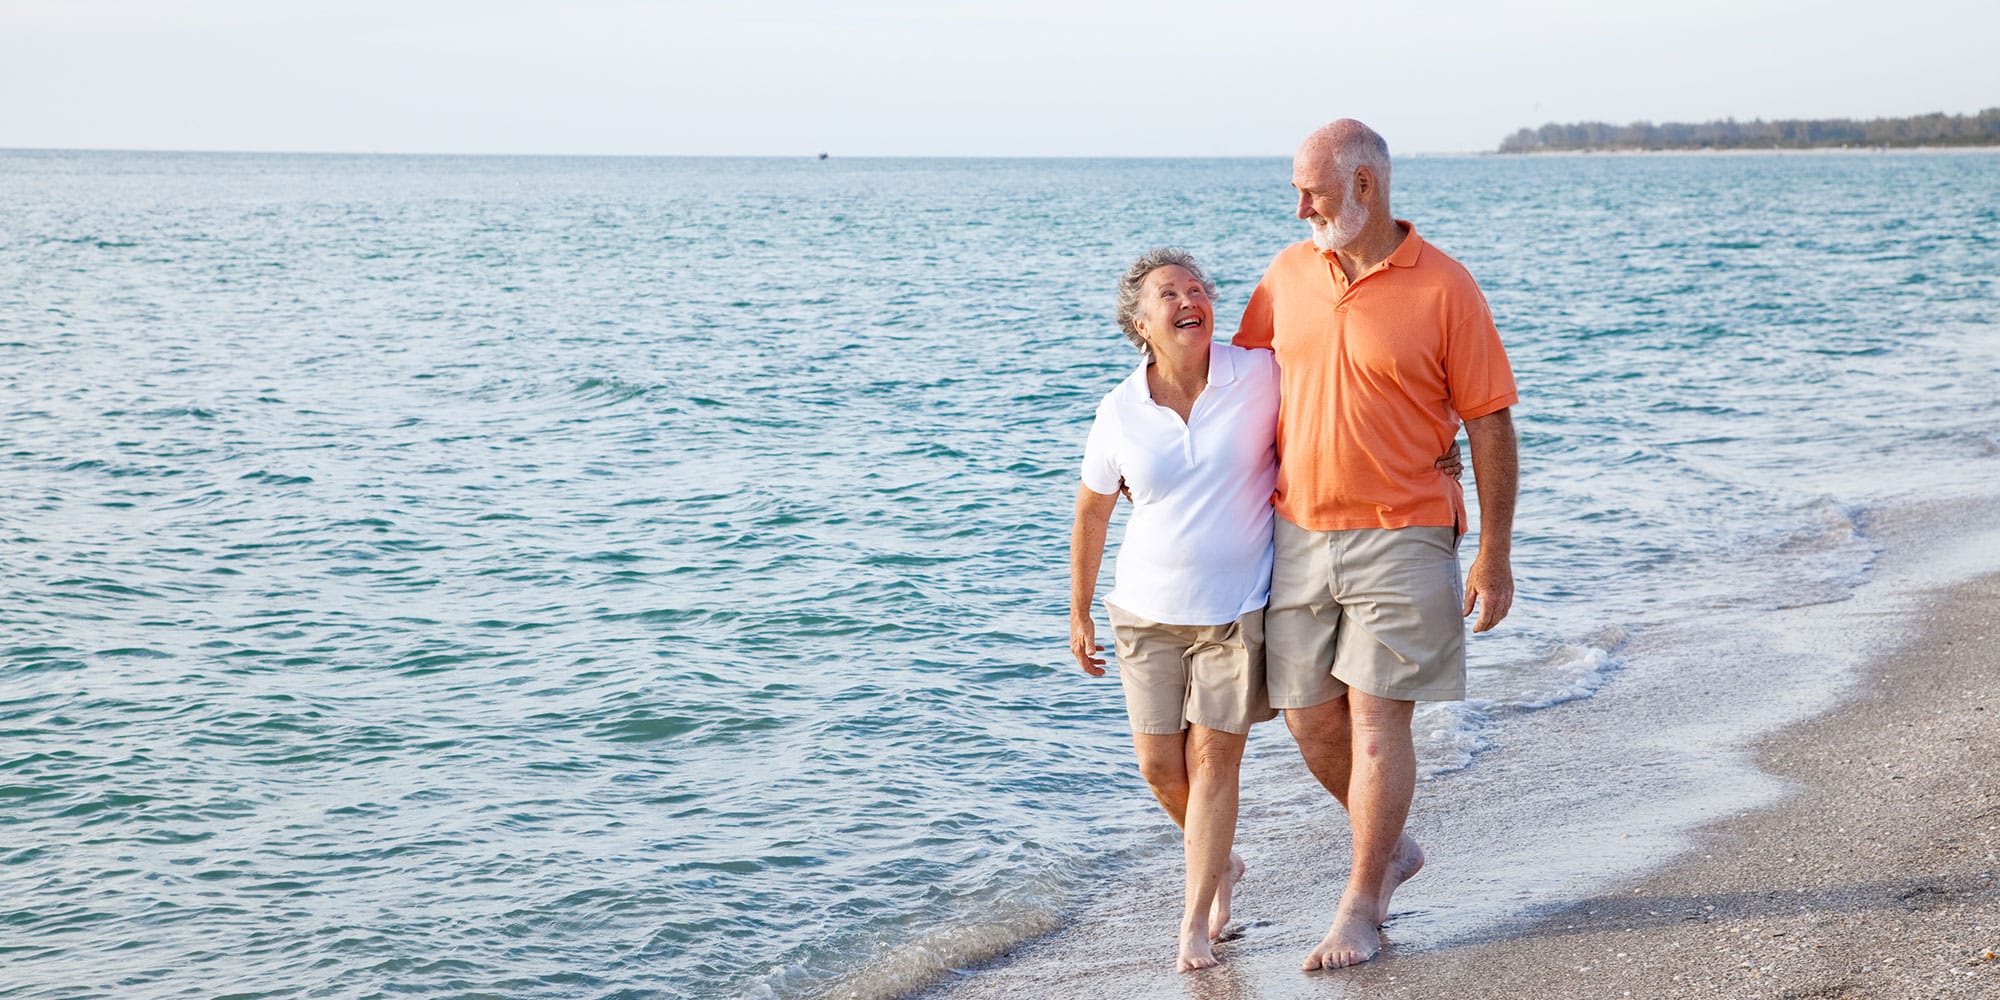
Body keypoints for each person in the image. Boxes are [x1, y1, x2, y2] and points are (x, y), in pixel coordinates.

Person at [1068, 248, 1464, 973]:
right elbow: (1092, 512)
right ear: (1139, 322)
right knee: (1161, 765)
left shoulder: (1256, 372)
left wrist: (1439, 448)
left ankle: (1195, 924)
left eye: (1198, 289)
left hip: (1237, 610)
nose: (1190, 300)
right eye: (1169, 294)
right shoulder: (1119, 409)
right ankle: (1220, 862)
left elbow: (1349, 390)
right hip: (1143, 611)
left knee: (1215, 758)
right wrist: (1079, 611)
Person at [1232, 119, 1519, 972]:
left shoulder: (1445, 287)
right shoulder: (1287, 274)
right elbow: (1234, 387)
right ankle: (1389, 845)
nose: (1299, 205)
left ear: (1365, 186)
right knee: (1306, 715)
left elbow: (1490, 422)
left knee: (1374, 724)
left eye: (1311, 189)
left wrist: (1494, 554)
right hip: (1299, 531)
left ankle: (1361, 905)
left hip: (1407, 530)